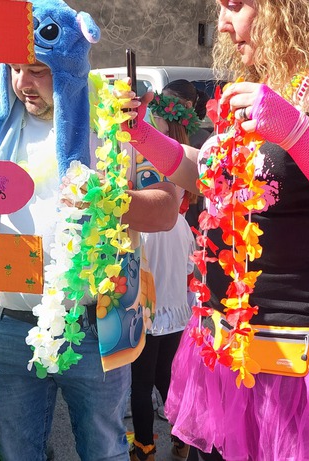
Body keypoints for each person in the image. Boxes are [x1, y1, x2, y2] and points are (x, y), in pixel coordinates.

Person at [121, 0, 309, 458]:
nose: (222, 24)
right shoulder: (264, 79)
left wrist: (298, 134)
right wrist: (143, 135)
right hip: (225, 350)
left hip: (302, 368)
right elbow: (212, 177)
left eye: (234, 5)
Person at [0, 1, 180, 459]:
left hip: (94, 328)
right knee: (15, 452)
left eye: (37, 70)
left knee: (104, 449)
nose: (22, 83)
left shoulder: (119, 122)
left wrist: (109, 201)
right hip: (7, 327)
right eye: (15, 69)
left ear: (70, 65)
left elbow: (166, 211)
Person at [128, 90, 197, 461]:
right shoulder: (182, 225)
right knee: (167, 377)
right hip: (175, 308)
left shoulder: (144, 223)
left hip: (149, 308)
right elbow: (187, 271)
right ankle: (183, 438)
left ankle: (145, 447)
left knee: (142, 383)